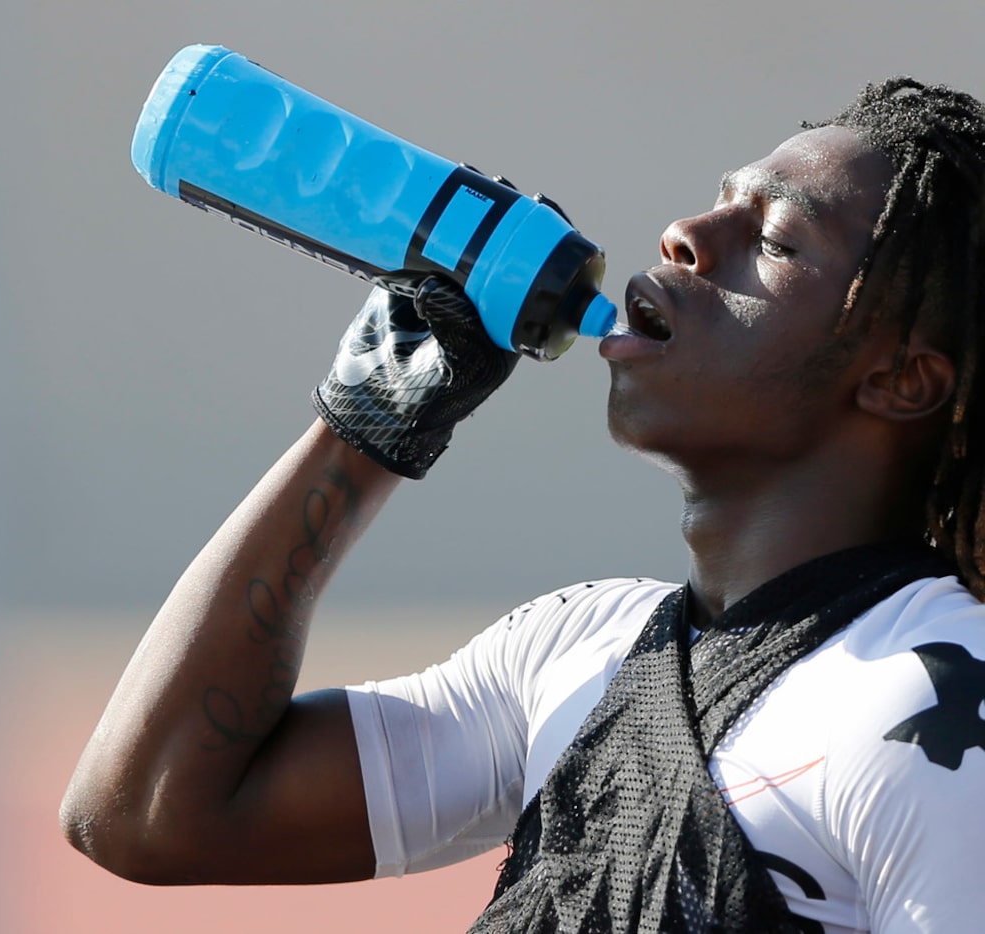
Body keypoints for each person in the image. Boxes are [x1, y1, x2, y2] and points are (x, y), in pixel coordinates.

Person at [61, 77, 985, 932]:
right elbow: (148, 813)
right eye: (719, 199)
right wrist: (365, 425)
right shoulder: (579, 651)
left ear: (903, 381)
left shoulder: (935, 712)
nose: (687, 235)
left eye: (777, 240)